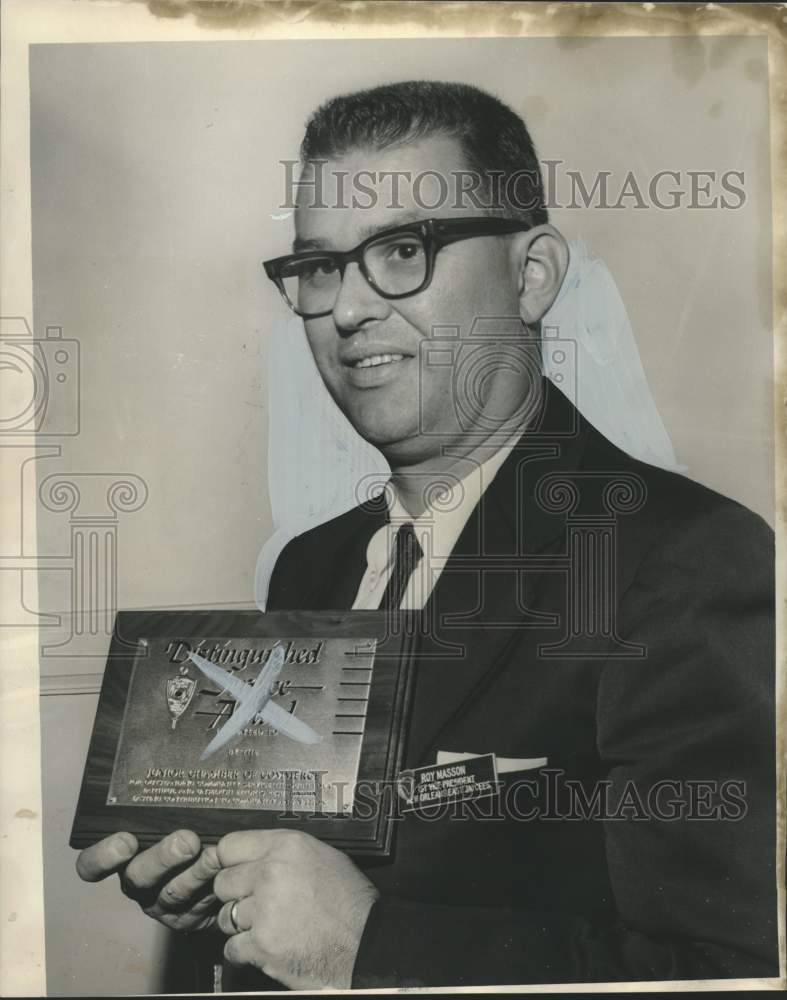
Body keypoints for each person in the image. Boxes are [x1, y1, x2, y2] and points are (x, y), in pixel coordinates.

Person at [75, 81, 778, 990]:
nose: (348, 310)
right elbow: (320, 883)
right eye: (319, 268)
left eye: (402, 250)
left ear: (532, 276)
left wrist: (367, 947)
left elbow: (731, 971)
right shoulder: (314, 562)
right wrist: (225, 889)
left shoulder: (680, 561)